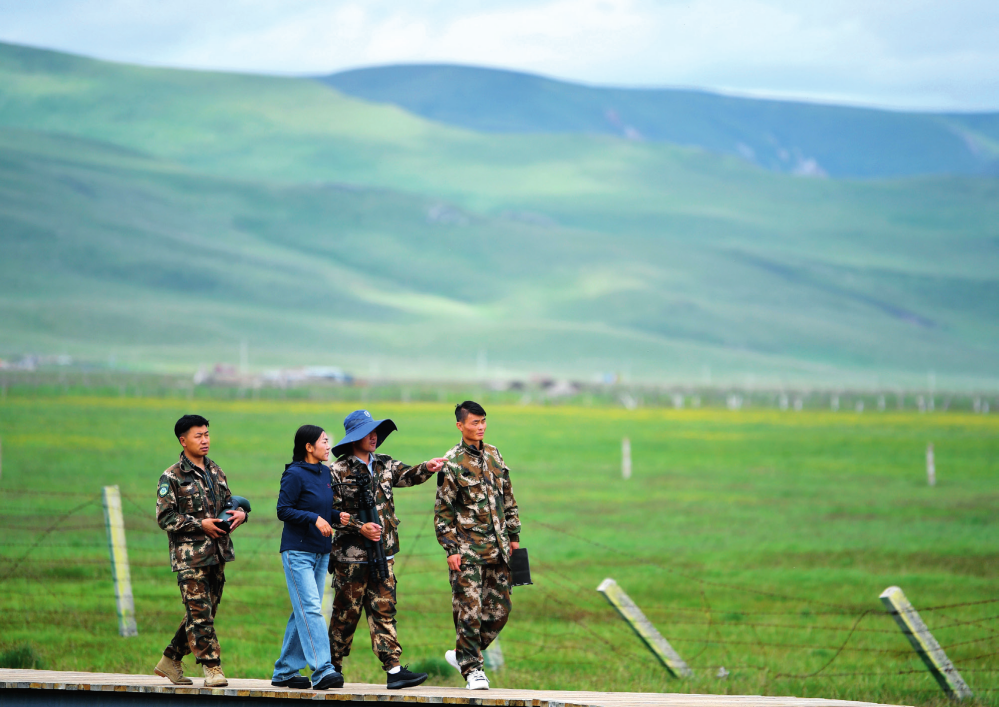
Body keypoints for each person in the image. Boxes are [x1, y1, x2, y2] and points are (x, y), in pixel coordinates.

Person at [327, 409, 447, 689]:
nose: (374, 437)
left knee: (384, 610)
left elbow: (407, 475)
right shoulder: (337, 471)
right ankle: (331, 669)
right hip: (351, 557)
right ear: (354, 437)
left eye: (376, 432)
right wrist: (360, 527)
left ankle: (394, 671)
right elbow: (330, 512)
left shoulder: (385, 464)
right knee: (347, 613)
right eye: (368, 433)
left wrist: (427, 467)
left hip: (384, 553)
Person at [154, 414, 247, 688]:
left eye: (207, 434)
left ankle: (170, 659)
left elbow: (229, 503)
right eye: (198, 435)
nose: (205, 440)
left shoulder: (216, 471)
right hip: (190, 558)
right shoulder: (171, 476)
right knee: (200, 614)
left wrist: (240, 514)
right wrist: (200, 524)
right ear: (183, 441)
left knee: (202, 613)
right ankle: (212, 668)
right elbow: (165, 517)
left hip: (217, 554)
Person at [435, 401, 521, 690]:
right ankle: (473, 669)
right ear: (460, 426)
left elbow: (508, 497)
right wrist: (451, 549)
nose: (480, 427)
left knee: (500, 610)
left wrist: (515, 538)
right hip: (467, 551)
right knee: (469, 610)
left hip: (499, 549)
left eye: (483, 421)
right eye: (474, 422)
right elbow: (443, 509)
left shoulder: (494, 454)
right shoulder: (452, 462)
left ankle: (462, 654)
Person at [271, 425, 349, 690]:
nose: (328, 446)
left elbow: (322, 507)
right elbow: (284, 510)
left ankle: (284, 672)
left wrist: (337, 516)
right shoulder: (294, 474)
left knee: (302, 610)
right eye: (324, 441)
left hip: (321, 551)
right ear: (308, 447)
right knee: (311, 610)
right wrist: (314, 518)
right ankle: (323, 669)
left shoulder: (325, 472)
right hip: (298, 553)